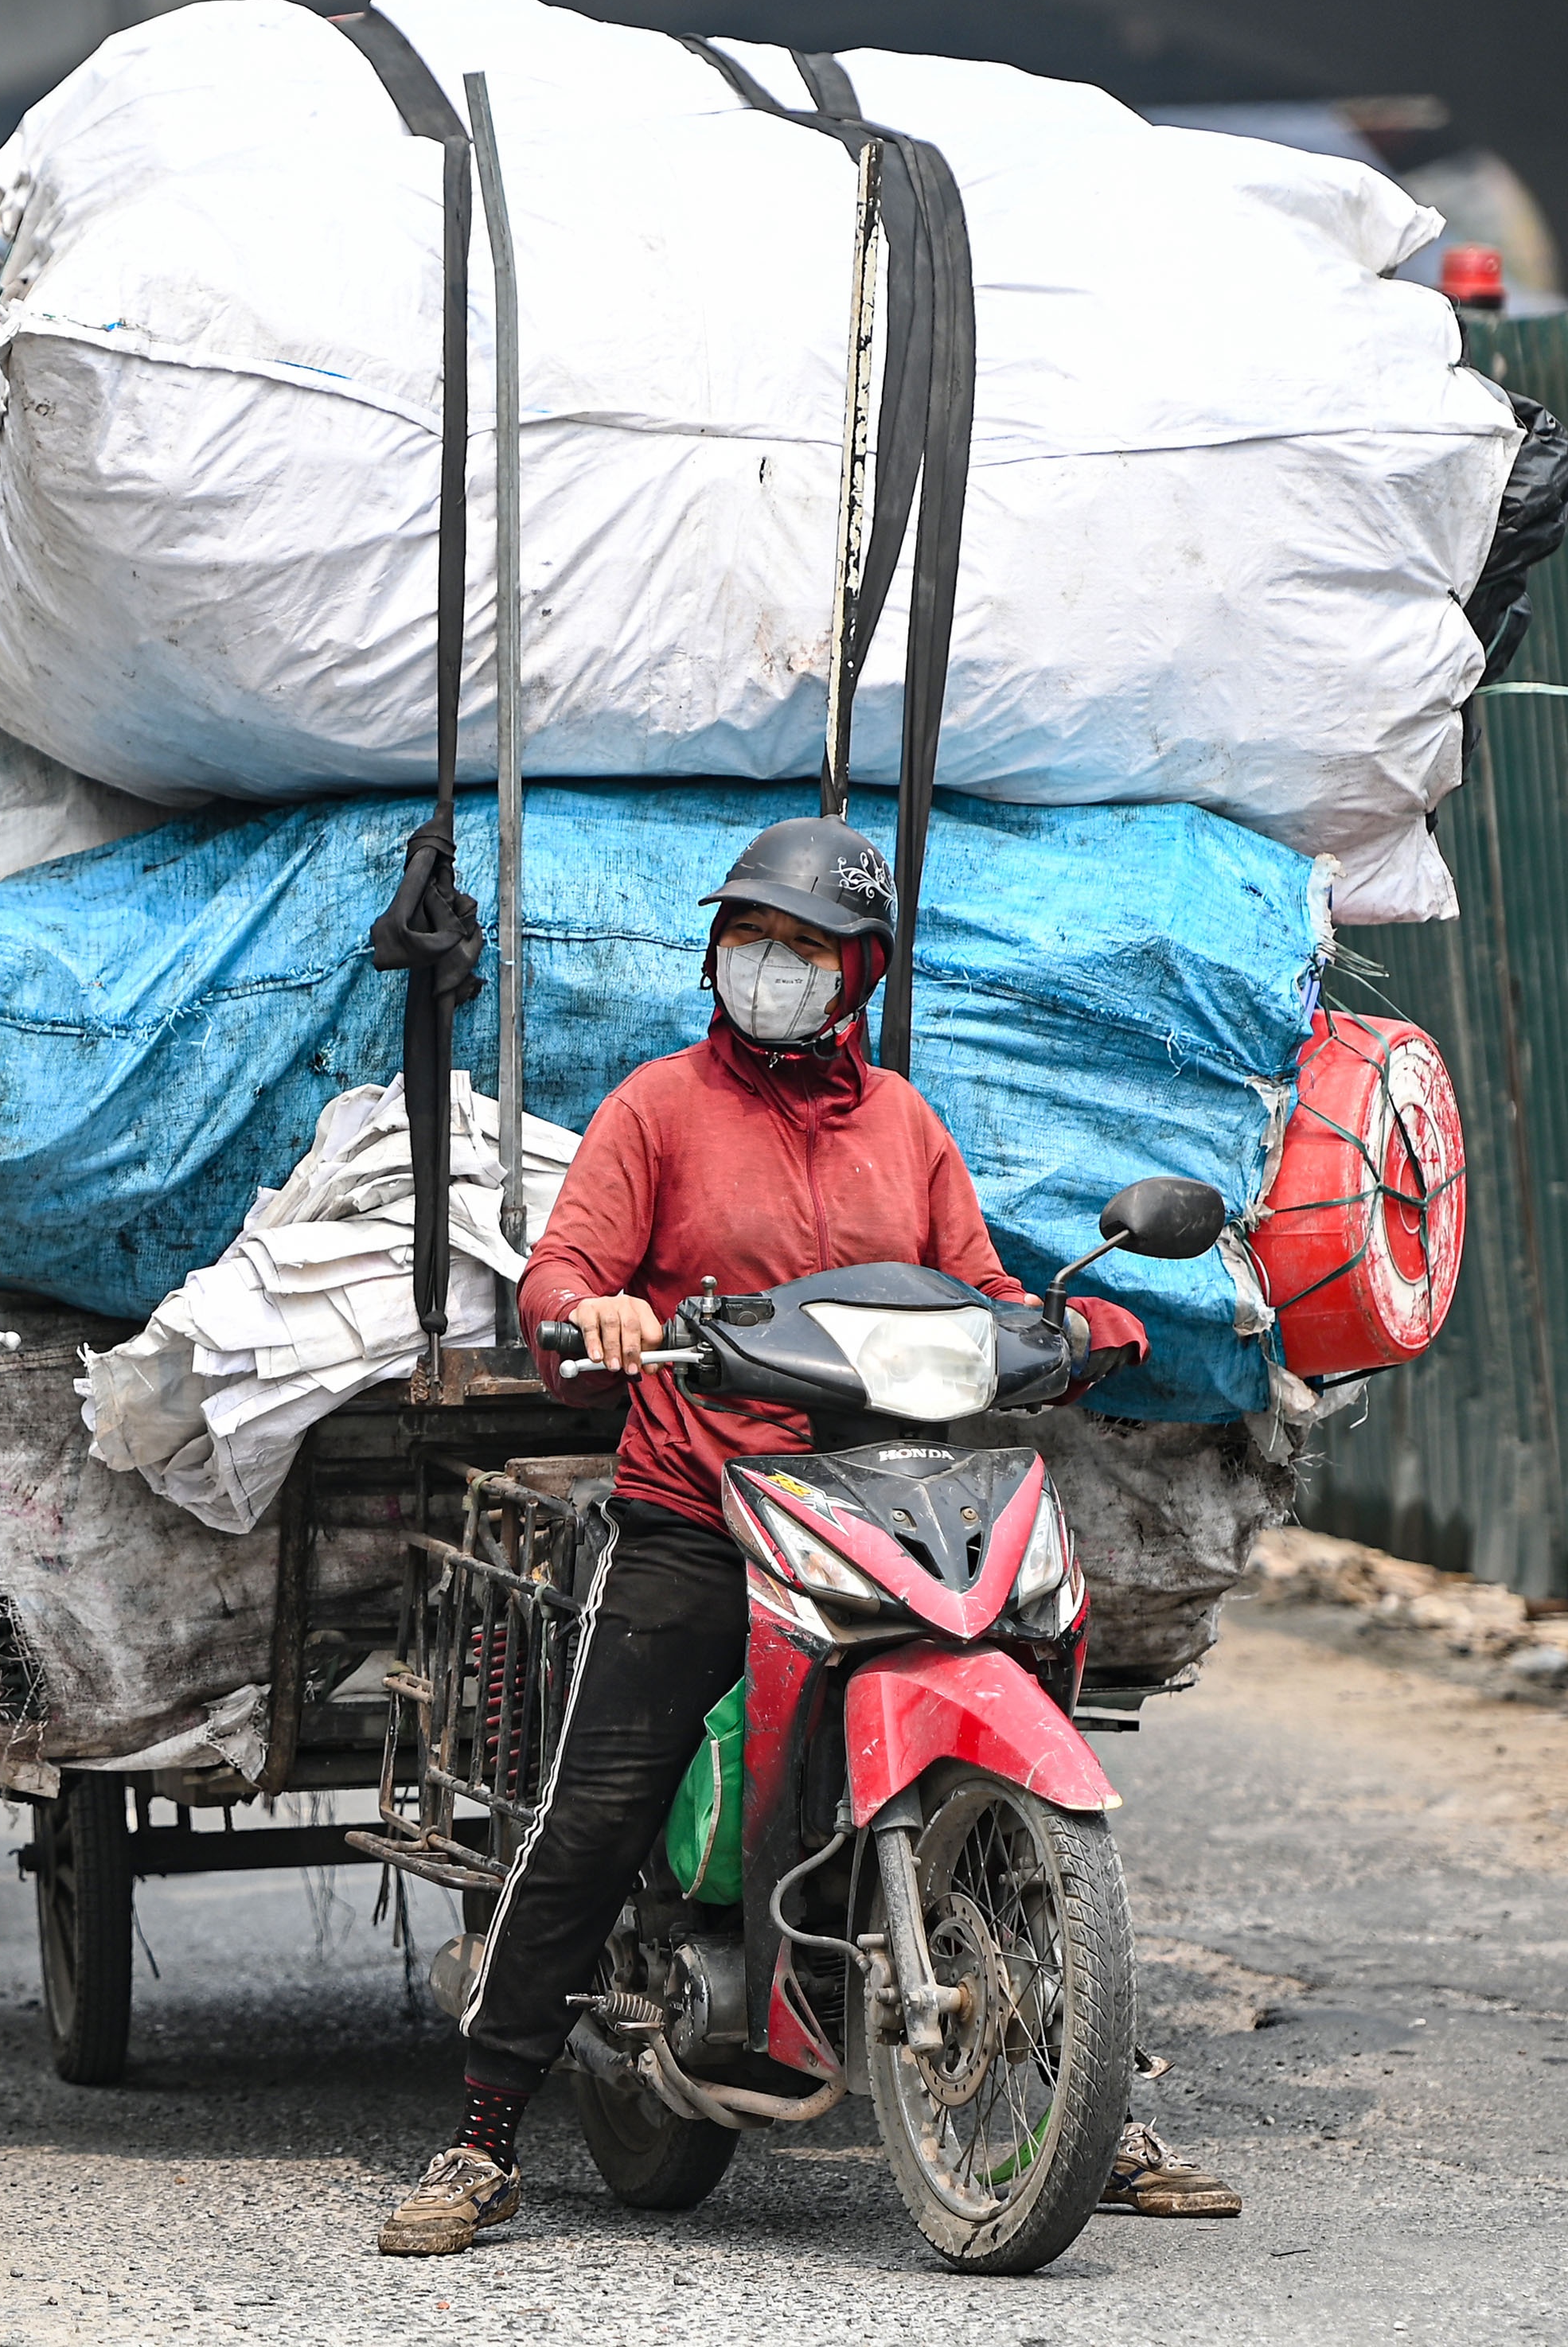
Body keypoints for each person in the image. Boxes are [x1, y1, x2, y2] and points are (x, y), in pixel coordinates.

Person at [376, 814, 1235, 2256]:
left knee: (1018, 1685)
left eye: (803, 948)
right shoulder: (655, 1109)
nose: (767, 965)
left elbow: (970, 1286)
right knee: (595, 1808)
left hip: (886, 1499)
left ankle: (1088, 2098)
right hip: (702, 1507)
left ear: (862, 975)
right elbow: (564, 1272)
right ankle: (483, 2132)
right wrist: (591, 1311)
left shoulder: (902, 1125)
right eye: (747, 939)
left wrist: (1067, 1322)